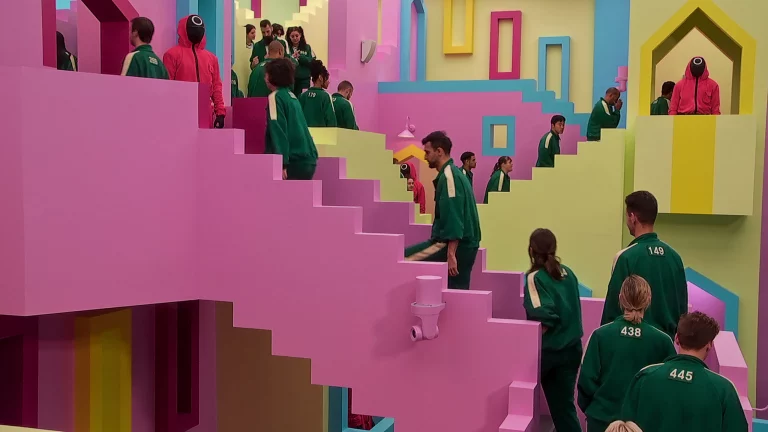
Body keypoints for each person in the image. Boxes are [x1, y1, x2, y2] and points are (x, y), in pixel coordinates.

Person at [578, 275, 675, 432]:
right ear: (648, 300)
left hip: (601, 419)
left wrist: (596, 409)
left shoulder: (600, 335)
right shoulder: (663, 341)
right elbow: (668, 388)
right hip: (645, 423)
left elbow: (586, 380)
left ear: (620, 298)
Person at [621, 312, 748, 432]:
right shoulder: (724, 389)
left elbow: (625, 426)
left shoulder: (645, 377)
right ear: (709, 345)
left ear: (677, 338)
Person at [601, 191, 687, 339]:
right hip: (665, 344)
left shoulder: (625, 257)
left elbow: (613, 311)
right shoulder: (675, 258)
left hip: (631, 342)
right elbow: (682, 310)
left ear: (632, 217)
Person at [522, 228, 583, 432]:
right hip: (573, 350)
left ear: (531, 250)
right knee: (564, 410)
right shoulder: (569, 273)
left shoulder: (535, 278)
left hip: (550, 354)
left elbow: (545, 316)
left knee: (514, 394)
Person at [404, 131, 481, 290]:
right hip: (467, 244)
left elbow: (454, 215)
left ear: (439, 151)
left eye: (427, 152)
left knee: (402, 259)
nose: (425, 157)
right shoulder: (453, 174)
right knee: (456, 291)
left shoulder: (449, 177)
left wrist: (451, 254)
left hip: (456, 245)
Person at [163, 15, 226, 128]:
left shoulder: (212, 58)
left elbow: (216, 86)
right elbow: (167, 86)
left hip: (205, 112)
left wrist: (220, 112)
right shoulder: (172, 55)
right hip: (180, 112)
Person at [264, 58, 318, 180]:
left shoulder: (275, 97)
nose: (265, 78)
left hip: (293, 160)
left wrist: (282, 162)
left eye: (266, 74)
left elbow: (278, 129)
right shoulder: (292, 97)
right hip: (309, 158)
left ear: (272, 76)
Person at [299, 60, 337, 127]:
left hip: (305, 132)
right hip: (322, 133)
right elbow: (331, 121)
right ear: (320, 78)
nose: (328, 82)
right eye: (327, 78)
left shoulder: (302, 95)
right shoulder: (326, 96)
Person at [287, 26, 315, 96]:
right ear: (289, 37)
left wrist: (300, 57)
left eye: (297, 36)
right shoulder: (287, 48)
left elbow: (312, 61)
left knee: (302, 97)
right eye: (292, 36)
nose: (295, 38)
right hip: (291, 80)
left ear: (300, 35)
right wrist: (292, 57)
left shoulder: (307, 47)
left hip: (304, 80)